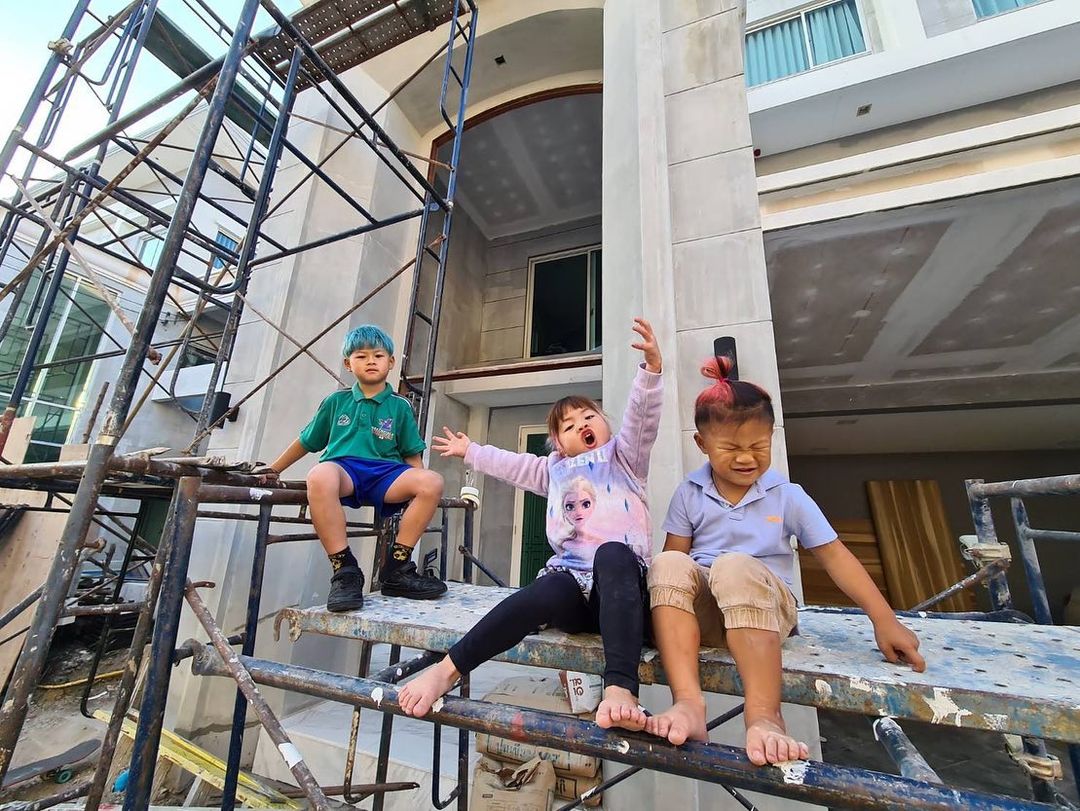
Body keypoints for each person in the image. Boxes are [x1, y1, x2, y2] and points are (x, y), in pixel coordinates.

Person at [645, 356, 926, 765]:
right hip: (711, 618)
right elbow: (676, 565)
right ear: (702, 445)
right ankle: (688, 703)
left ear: (772, 437)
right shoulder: (689, 492)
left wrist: (885, 620)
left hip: (766, 611)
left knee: (734, 565)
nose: (747, 458)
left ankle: (765, 716)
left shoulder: (788, 496)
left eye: (758, 446)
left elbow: (836, 557)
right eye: (731, 448)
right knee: (666, 563)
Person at [398, 319, 664, 731]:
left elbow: (641, 419)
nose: (582, 425)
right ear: (559, 444)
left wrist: (650, 372)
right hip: (574, 592)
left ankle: (621, 689)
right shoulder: (553, 471)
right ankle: (447, 670)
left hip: (622, 592)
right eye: (569, 426)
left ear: (606, 424)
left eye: (588, 417)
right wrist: (471, 451)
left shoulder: (624, 457)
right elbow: (513, 465)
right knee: (542, 589)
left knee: (613, 554)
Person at [261, 325, 446, 612]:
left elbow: (411, 453)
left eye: (378, 355)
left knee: (432, 481)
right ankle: (344, 570)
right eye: (361, 356)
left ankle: (397, 569)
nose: (371, 361)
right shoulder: (336, 402)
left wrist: (416, 493)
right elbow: (307, 441)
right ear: (348, 364)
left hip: (386, 474)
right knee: (319, 475)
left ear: (390, 362)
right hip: (344, 470)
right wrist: (273, 469)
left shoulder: (400, 406)